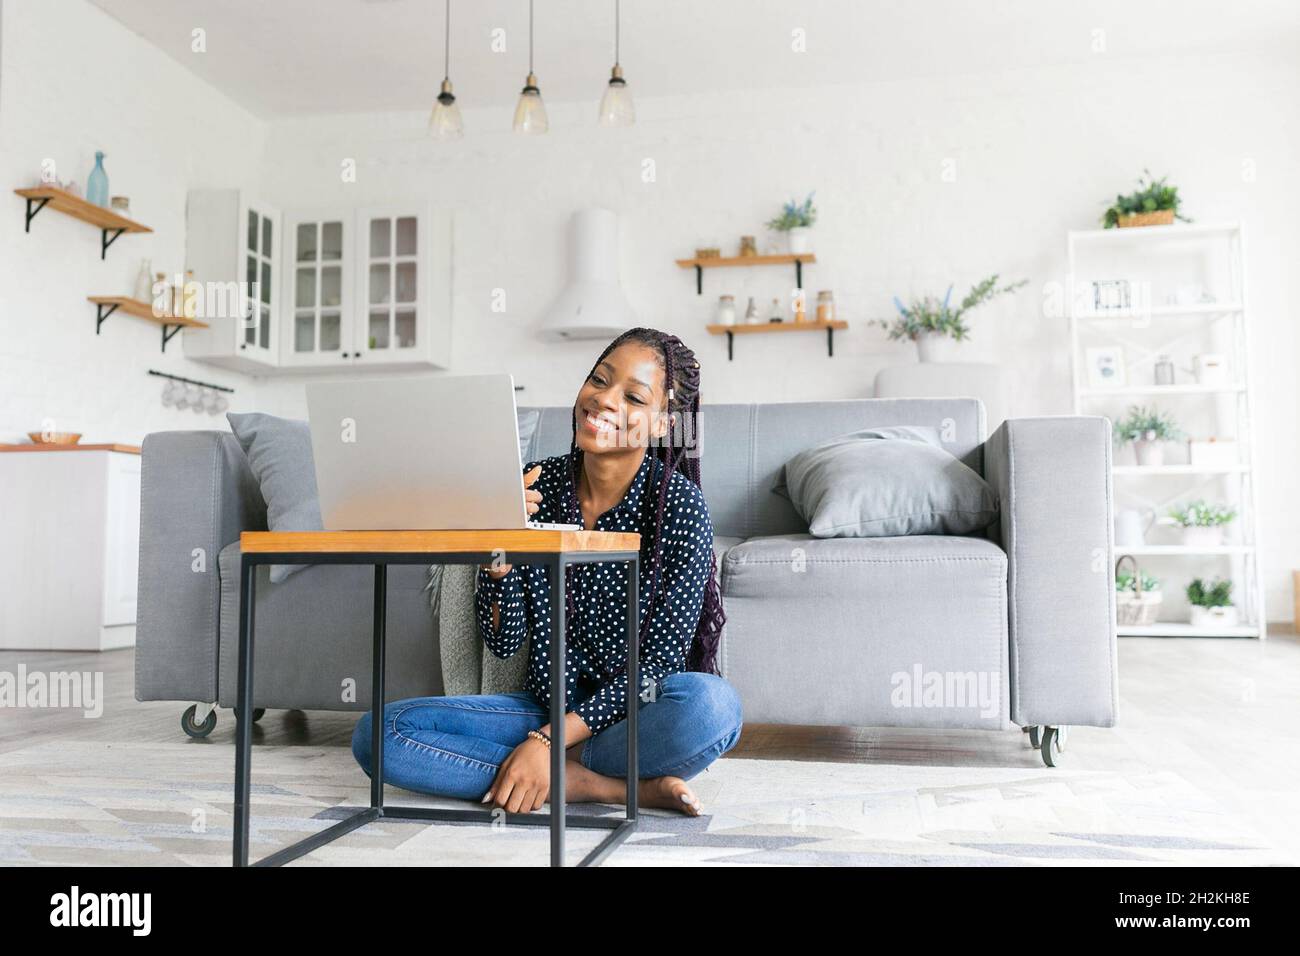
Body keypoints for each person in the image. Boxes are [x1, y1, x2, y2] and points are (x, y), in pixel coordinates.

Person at [352, 327, 742, 816]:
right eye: (598, 380)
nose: (603, 400)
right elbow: (505, 640)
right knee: (378, 734)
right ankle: (603, 787)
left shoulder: (679, 507)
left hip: (631, 717)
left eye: (633, 397)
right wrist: (497, 554)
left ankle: (552, 765)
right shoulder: (536, 483)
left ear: (664, 424)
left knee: (713, 707)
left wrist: (545, 742)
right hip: (542, 706)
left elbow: (656, 668)